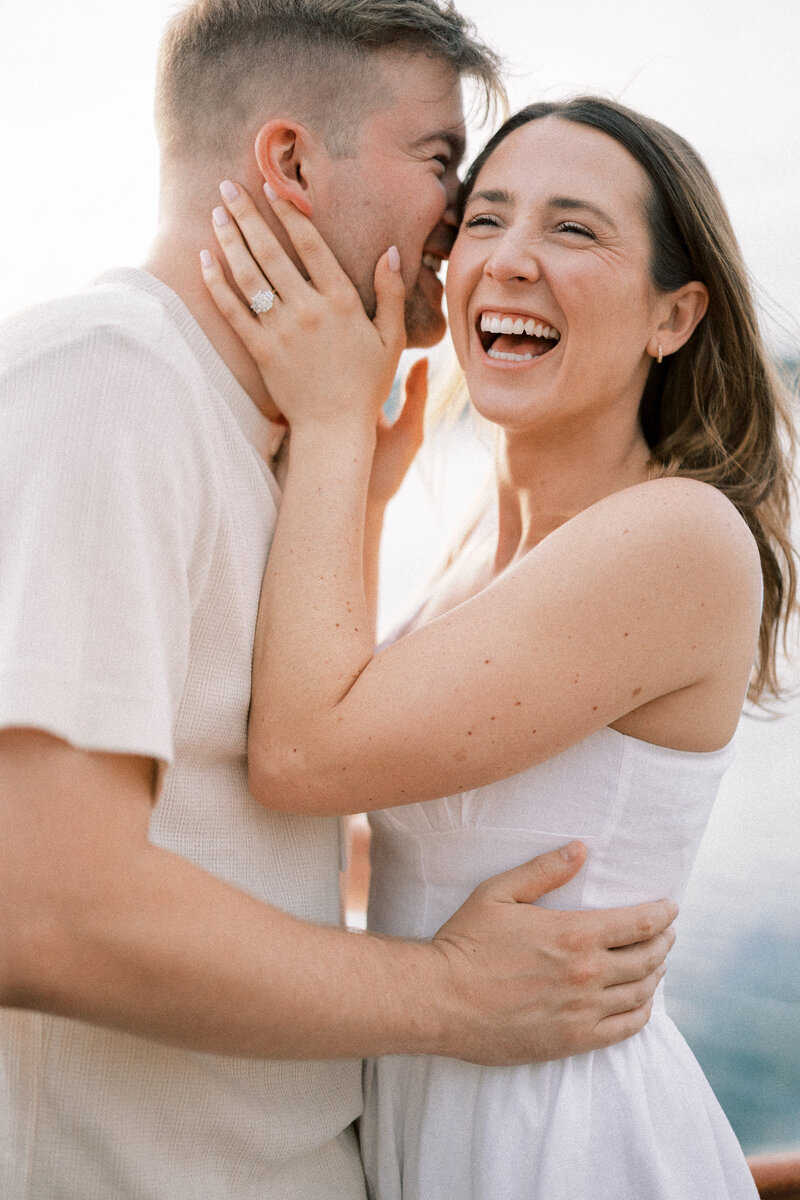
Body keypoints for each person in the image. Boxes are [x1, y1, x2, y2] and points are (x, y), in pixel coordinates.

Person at [0, 5, 679, 1197]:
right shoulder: (108, 384)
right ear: (291, 165)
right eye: (438, 160)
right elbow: (40, 909)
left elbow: (248, 812)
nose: (464, 213)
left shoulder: (257, 444)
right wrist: (456, 996)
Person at [201, 95, 796, 1198]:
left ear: (673, 316)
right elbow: (383, 805)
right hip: (433, 1118)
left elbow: (300, 758)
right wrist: (370, 494)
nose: (510, 258)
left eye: (572, 230)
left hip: (563, 1143)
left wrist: (332, 425)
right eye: (483, 220)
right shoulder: (482, 543)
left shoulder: (677, 535)